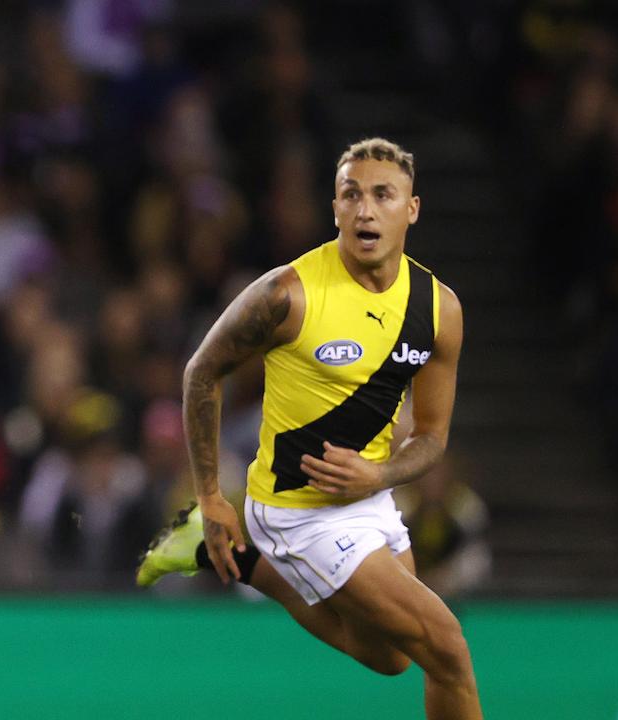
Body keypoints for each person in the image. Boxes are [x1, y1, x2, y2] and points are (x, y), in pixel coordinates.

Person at [137, 138, 481, 718]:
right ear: (335, 207)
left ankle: (237, 560)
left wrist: (379, 473)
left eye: (382, 195)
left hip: (368, 498)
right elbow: (202, 372)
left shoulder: (438, 308)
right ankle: (233, 534)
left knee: (393, 658)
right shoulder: (287, 293)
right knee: (447, 649)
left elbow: (431, 438)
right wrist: (211, 494)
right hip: (297, 512)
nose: (365, 210)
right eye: (351, 195)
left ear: (411, 209)